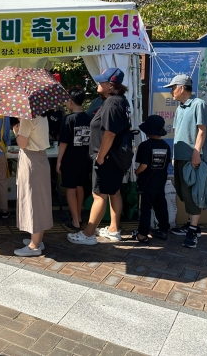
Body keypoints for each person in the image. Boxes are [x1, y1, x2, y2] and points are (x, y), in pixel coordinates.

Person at [68, 68, 131, 246]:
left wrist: (101, 156)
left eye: (101, 81)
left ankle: (88, 234)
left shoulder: (112, 103)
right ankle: (113, 229)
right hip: (117, 156)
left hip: (108, 157)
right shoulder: (121, 101)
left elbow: (110, 133)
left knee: (98, 195)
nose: (98, 83)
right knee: (114, 191)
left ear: (111, 85)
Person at [165, 74, 207, 248]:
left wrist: (196, 153)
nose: (171, 91)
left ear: (182, 87)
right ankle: (192, 225)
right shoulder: (180, 108)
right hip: (180, 157)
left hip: (192, 158)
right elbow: (177, 133)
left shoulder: (198, 104)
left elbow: (202, 131)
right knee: (182, 192)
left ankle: (193, 231)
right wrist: (174, 155)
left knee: (193, 193)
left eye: (173, 88)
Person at [12, 113, 53, 256]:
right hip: (41, 158)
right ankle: (37, 240)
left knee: (33, 201)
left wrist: (17, 132)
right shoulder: (42, 116)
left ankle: (34, 246)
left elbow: (22, 143)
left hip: (31, 160)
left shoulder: (27, 119)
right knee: (40, 200)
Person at [133, 115, 171, 243]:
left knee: (146, 208)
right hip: (160, 180)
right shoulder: (166, 146)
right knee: (161, 205)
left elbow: (143, 166)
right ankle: (163, 229)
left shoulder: (144, 146)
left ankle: (142, 234)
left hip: (147, 182)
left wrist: (136, 172)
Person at [57, 88, 91, 231]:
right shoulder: (88, 118)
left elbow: (63, 143)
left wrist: (59, 161)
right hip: (84, 158)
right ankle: (79, 216)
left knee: (70, 188)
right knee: (80, 186)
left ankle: (75, 220)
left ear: (71, 101)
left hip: (70, 158)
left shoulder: (68, 119)